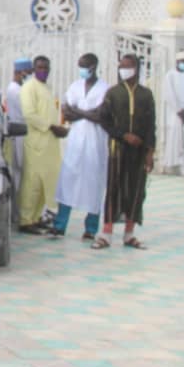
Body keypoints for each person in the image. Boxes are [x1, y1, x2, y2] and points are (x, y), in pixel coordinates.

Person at [92, 54, 156, 250]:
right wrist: (122, 135)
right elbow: (104, 120)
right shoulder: (113, 93)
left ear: (136, 68)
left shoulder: (146, 94)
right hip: (118, 149)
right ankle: (106, 233)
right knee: (114, 189)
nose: (123, 69)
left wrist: (149, 152)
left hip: (138, 151)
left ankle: (129, 234)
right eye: (121, 66)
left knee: (136, 190)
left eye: (127, 66)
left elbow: (150, 124)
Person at [49, 53, 108, 240]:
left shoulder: (104, 89)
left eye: (85, 65)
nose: (82, 69)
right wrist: (87, 113)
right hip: (75, 141)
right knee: (68, 181)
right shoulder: (74, 86)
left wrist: (78, 111)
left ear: (94, 66)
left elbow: (101, 116)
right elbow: (67, 113)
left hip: (95, 143)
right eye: (80, 65)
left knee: (94, 184)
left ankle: (91, 229)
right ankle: (60, 225)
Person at [18, 55, 67, 234]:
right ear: (33, 69)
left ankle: (36, 217)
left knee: (45, 182)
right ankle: (25, 220)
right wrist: (51, 127)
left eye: (46, 68)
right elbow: (29, 114)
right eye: (39, 68)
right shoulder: (28, 88)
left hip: (49, 143)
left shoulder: (47, 88)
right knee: (32, 183)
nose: (43, 71)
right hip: (36, 142)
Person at [2, 58, 30, 224]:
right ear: (21, 72)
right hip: (20, 132)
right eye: (29, 72)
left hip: (21, 132)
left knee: (20, 173)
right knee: (19, 173)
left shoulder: (17, 88)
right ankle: (17, 213)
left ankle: (18, 212)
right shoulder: (16, 90)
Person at [160, 50, 184, 174]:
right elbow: (169, 94)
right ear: (177, 62)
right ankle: (174, 167)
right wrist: (179, 110)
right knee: (176, 139)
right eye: (183, 61)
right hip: (175, 112)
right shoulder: (170, 75)